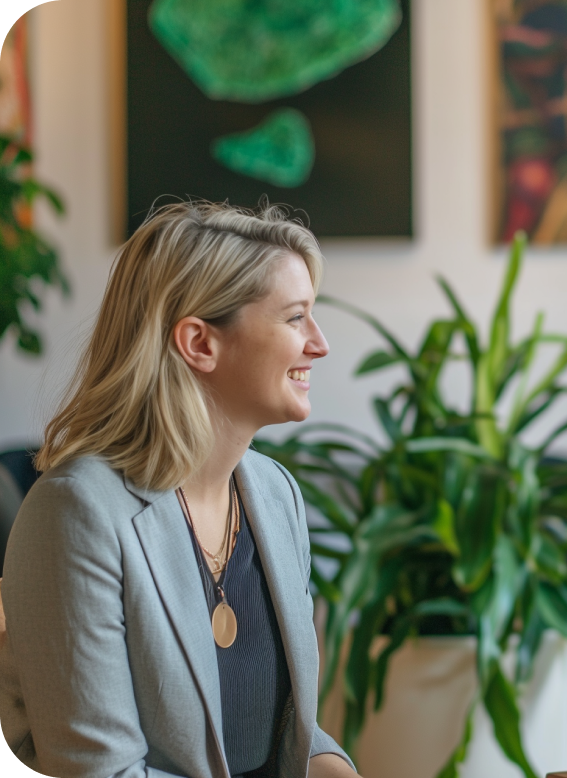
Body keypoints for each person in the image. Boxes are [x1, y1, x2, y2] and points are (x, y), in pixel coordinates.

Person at [0, 202, 359, 777]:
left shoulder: (273, 493)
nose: (319, 344)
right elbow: (101, 773)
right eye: (295, 319)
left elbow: (286, 734)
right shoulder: (76, 513)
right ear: (199, 343)